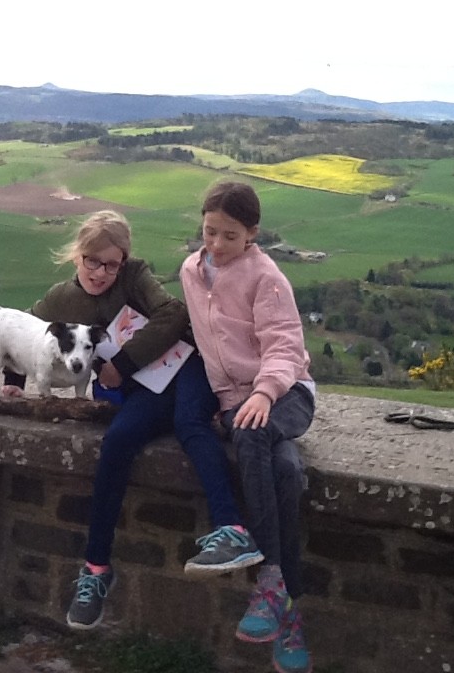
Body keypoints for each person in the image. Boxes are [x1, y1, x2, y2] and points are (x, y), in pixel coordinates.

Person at [0, 209, 262, 630]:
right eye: (92, 261)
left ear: (124, 260)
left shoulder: (135, 276)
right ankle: (96, 570)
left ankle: (231, 528)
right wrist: (13, 378)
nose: (102, 272)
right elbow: (21, 330)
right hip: (144, 391)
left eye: (111, 263)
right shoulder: (59, 299)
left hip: (186, 368)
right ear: (77, 256)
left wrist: (121, 361)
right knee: (118, 441)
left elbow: (173, 313)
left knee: (191, 424)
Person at [180, 182, 316, 673]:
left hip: (287, 393)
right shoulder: (191, 273)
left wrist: (264, 392)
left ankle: (269, 580)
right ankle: (290, 614)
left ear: (252, 234)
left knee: (253, 432)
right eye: (209, 231)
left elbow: (283, 344)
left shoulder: (267, 277)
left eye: (230, 236)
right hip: (238, 402)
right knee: (284, 473)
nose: (216, 244)